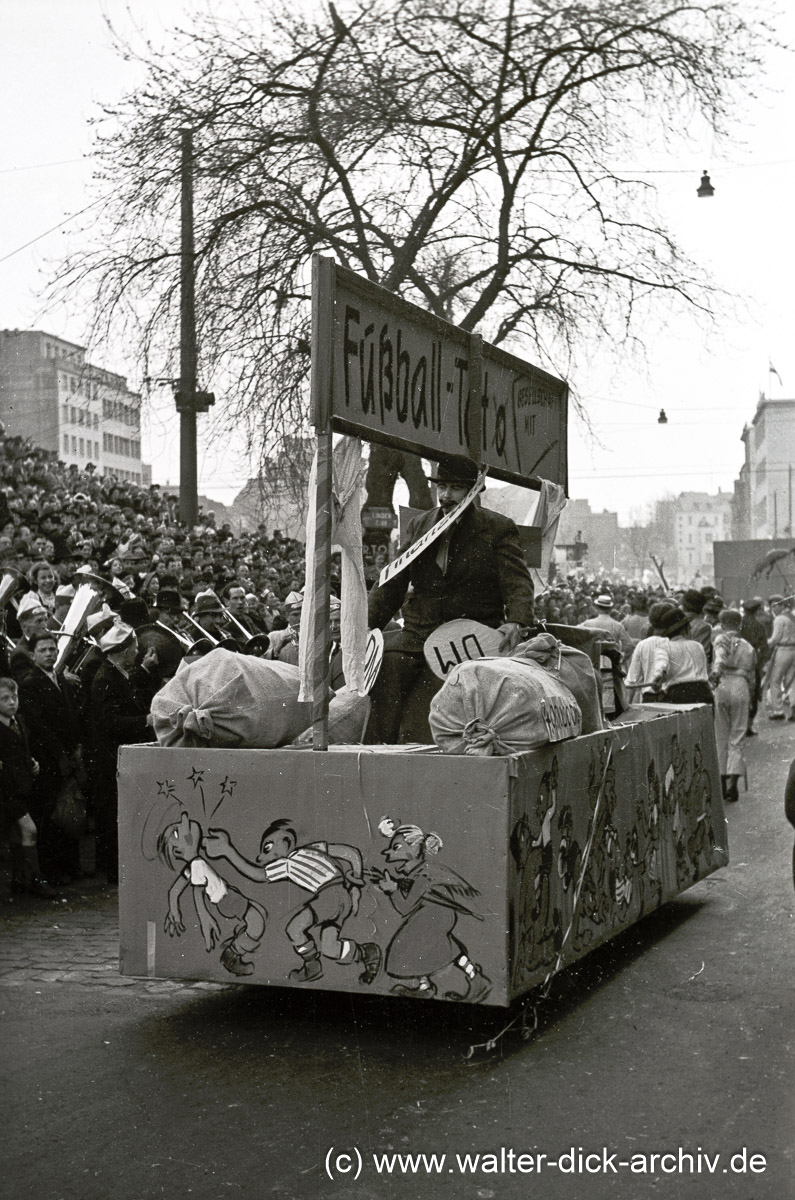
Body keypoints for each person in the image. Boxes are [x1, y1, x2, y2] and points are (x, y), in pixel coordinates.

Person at [366, 456, 535, 742]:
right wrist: (365, 625)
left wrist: (517, 621)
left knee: (448, 690)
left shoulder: (497, 528)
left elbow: (517, 581)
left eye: (455, 488)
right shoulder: (420, 525)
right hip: (419, 633)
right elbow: (393, 582)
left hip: (470, 636)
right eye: (442, 486)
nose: (445, 496)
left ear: (472, 491)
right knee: (388, 666)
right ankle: (380, 748)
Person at [88, 623, 155, 883]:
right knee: (110, 816)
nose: (137, 652)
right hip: (109, 759)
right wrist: (144, 721)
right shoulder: (106, 678)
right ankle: (113, 871)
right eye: (134, 647)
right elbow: (109, 722)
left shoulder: (118, 674)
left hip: (119, 758)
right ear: (123, 651)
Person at [18, 631, 85, 883]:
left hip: (67, 754)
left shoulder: (59, 678)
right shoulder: (29, 683)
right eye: (43, 650)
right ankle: (54, 870)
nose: (49, 654)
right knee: (51, 813)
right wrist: (59, 754)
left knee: (69, 810)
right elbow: (37, 726)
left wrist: (76, 746)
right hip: (48, 759)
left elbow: (70, 716)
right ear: (33, 655)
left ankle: (69, 866)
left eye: (52, 649)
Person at [0, 676, 56, 898]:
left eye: (14, 697)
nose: (11, 702)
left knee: (19, 834)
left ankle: (21, 879)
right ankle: (34, 879)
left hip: (21, 786)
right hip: (6, 790)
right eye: (4, 699)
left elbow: (23, 751)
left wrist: (32, 763)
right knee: (28, 829)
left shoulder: (19, 722)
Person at [625, 602, 712, 706]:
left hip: (663, 696)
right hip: (703, 692)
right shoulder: (697, 646)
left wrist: (658, 676)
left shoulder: (645, 645)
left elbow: (633, 680)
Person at [710, 609, 756, 804]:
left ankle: (721, 782)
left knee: (720, 734)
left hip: (723, 684)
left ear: (722, 623)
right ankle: (733, 784)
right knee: (737, 735)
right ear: (739, 624)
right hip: (741, 685)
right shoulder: (747, 646)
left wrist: (716, 672)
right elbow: (752, 676)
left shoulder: (721, 639)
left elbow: (719, 657)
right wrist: (751, 698)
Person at [764, 595, 795, 720]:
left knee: (775, 679)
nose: (773, 608)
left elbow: (775, 638)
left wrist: (765, 644)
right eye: (772, 606)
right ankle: (793, 707)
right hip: (794, 649)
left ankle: (778, 710)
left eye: (776, 605)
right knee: (791, 680)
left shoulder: (779, 619)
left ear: (783, 605)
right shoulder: (792, 617)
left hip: (783, 649)